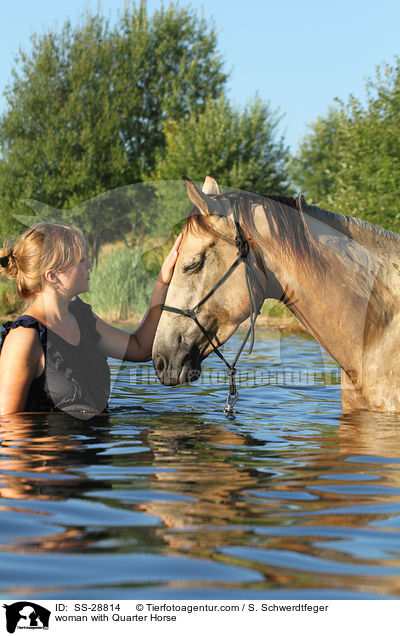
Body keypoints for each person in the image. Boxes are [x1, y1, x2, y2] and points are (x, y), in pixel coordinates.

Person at [0, 222, 182, 417]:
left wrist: (162, 281)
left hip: (94, 443)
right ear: (53, 276)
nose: (89, 265)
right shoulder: (24, 337)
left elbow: (141, 348)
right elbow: (8, 423)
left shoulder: (83, 319)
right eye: (81, 260)